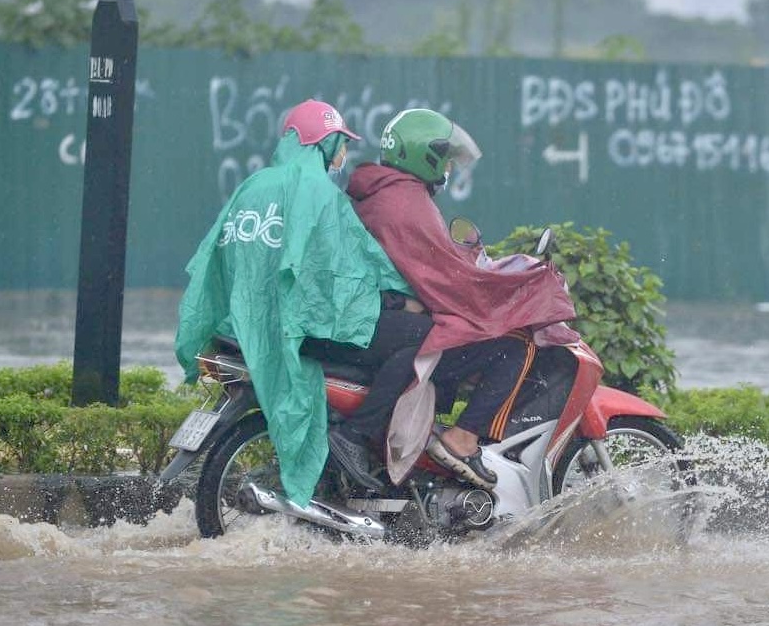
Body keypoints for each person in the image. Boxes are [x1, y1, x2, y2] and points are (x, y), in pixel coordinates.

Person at [174, 99, 419, 509]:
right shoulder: (319, 193)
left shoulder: (252, 187)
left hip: (244, 326)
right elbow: (355, 265)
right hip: (302, 327)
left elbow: (211, 260)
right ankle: (357, 440)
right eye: (340, 144)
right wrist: (400, 294)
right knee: (422, 341)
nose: (344, 154)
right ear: (323, 144)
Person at [347, 108, 578, 490]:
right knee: (511, 346)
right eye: (446, 158)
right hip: (379, 320)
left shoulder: (384, 191)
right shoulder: (406, 203)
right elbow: (450, 283)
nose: (450, 167)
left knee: (446, 335)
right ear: (425, 154)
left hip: (373, 315)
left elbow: (432, 265)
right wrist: (517, 285)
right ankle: (462, 439)